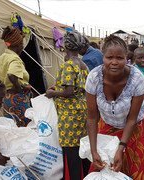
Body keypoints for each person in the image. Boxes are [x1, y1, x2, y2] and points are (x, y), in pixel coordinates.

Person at [85, 35, 144, 179]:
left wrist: (121, 147)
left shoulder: (137, 80)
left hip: (135, 129)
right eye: (109, 57)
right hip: (107, 126)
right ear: (103, 57)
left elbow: (132, 119)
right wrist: (93, 150)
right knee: (103, 166)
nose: (114, 62)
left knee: (133, 169)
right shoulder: (93, 78)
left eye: (119, 58)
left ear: (127, 58)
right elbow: (92, 118)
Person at [45, 30, 89, 180]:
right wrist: (58, 89)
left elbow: (69, 91)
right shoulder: (83, 65)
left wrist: (53, 93)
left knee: (71, 150)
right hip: (81, 111)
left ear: (66, 45)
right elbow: (77, 89)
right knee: (80, 148)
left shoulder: (68, 65)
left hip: (69, 115)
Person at [0, 26, 31, 127]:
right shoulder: (15, 59)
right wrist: (19, 89)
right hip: (17, 99)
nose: (22, 47)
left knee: (12, 128)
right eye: (22, 44)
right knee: (24, 130)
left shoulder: (1, 58)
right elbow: (11, 75)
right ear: (17, 45)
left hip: (7, 99)